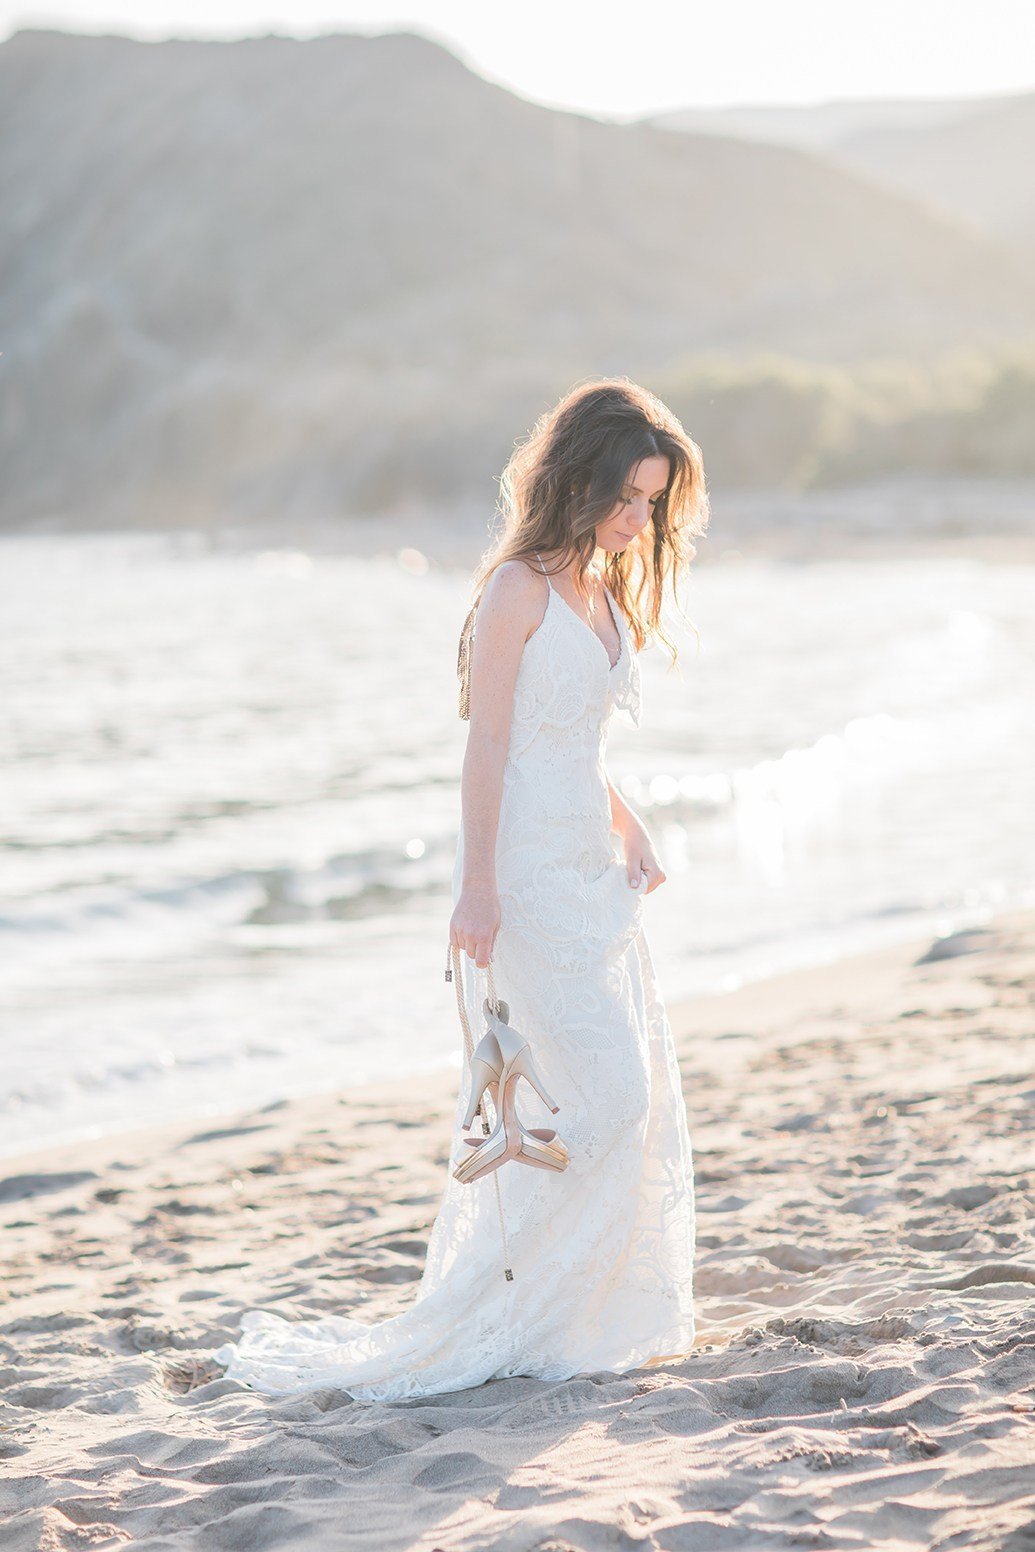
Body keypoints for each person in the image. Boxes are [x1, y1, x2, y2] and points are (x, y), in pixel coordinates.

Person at [212, 377, 709, 1401]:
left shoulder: (600, 587)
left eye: (651, 503)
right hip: (523, 872)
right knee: (603, 1094)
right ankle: (517, 1311)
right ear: (576, 479)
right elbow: (490, 746)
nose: (635, 519)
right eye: (623, 496)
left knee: (619, 1094)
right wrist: (476, 886)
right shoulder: (517, 589)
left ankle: (572, 1315)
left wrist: (631, 823)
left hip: (589, 864)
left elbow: (568, 742)